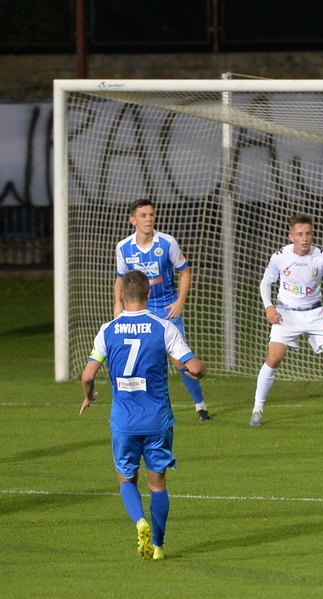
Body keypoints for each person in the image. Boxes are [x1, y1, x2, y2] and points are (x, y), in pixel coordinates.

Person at [80, 270, 207, 561]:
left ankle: (139, 521)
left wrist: (89, 396)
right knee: (157, 484)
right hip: (156, 420)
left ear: (121, 295)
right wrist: (200, 369)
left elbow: (88, 375)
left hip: (124, 421)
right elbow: (195, 368)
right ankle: (159, 547)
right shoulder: (164, 328)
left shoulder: (107, 329)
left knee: (126, 479)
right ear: (149, 294)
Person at [250, 213, 323, 426]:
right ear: (291, 236)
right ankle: (257, 410)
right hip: (286, 314)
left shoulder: (321, 257)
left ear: (313, 235)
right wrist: (269, 307)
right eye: (300, 234)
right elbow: (266, 283)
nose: (304, 238)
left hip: (316, 314)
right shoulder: (280, 256)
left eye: (308, 233)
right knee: (273, 358)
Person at [114, 198, 211, 421]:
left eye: (151, 215)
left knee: (181, 361)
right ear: (133, 221)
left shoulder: (167, 243)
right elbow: (120, 279)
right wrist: (118, 304)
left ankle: (200, 405)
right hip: (138, 309)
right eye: (143, 216)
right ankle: (136, 406)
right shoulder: (123, 247)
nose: (149, 219)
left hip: (166, 309)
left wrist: (180, 302)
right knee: (138, 358)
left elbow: (185, 272)